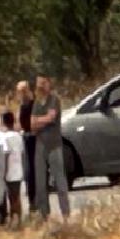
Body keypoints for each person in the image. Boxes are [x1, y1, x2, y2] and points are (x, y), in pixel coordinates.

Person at [29, 74, 69, 220]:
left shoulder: (54, 100)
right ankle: (45, 215)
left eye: (43, 83)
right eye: (38, 83)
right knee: (40, 183)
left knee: (60, 180)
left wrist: (40, 121)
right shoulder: (37, 103)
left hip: (54, 145)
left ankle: (66, 214)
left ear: (49, 83)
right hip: (40, 146)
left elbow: (51, 117)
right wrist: (42, 120)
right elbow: (32, 125)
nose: (40, 86)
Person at [0, 110, 26, 226]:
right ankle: (19, 219)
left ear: (3, 122)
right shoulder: (18, 136)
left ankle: (13, 218)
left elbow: (6, 154)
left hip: (10, 171)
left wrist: (3, 172)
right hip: (18, 169)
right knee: (17, 196)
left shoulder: (5, 138)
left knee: (11, 197)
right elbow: (22, 152)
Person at [16, 80, 36, 196]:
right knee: (28, 168)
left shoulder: (34, 104)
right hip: (26, 137)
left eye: (23, 91)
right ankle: (31, 193)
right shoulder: (23, 106)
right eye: (20, 92)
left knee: (35, 167)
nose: (22, 94)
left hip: (34, 138)